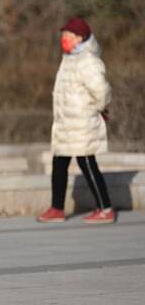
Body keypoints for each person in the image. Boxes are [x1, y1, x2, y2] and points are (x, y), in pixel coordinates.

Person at [38, 17, 114, 224]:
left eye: (68, 36)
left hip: (82, 122)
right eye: (63, 36)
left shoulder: (88, 60)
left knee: (87, 162)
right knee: (59, 163)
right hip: (65, 124)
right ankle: (57, 208)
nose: (64, 39)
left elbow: (101, 90)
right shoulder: (69, 58)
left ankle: (105, 208)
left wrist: (98, 109)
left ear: (80, 38)